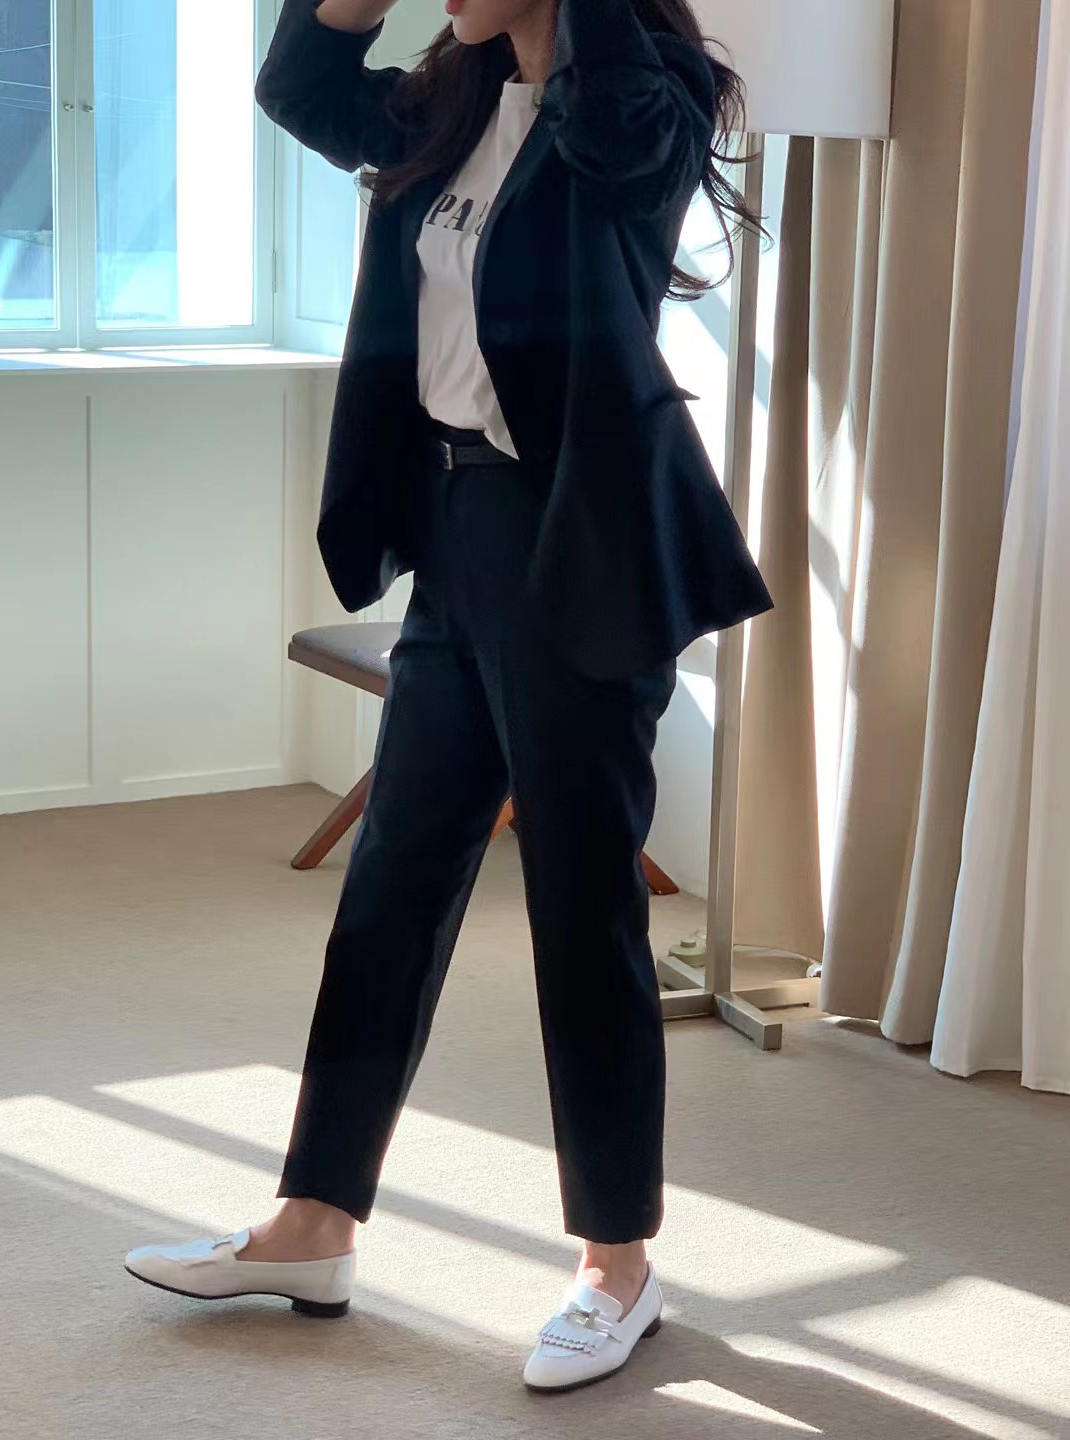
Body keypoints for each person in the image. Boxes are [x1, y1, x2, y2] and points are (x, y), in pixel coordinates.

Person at [123, 0, 771, 1393]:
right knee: (394, 886)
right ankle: (314, 1221)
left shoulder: (641, 101)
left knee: (579, 907)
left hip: (584, 537)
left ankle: (618, 1265)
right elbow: (299, 87)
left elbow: (614, 149)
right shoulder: (452, 101)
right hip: (461, 524)